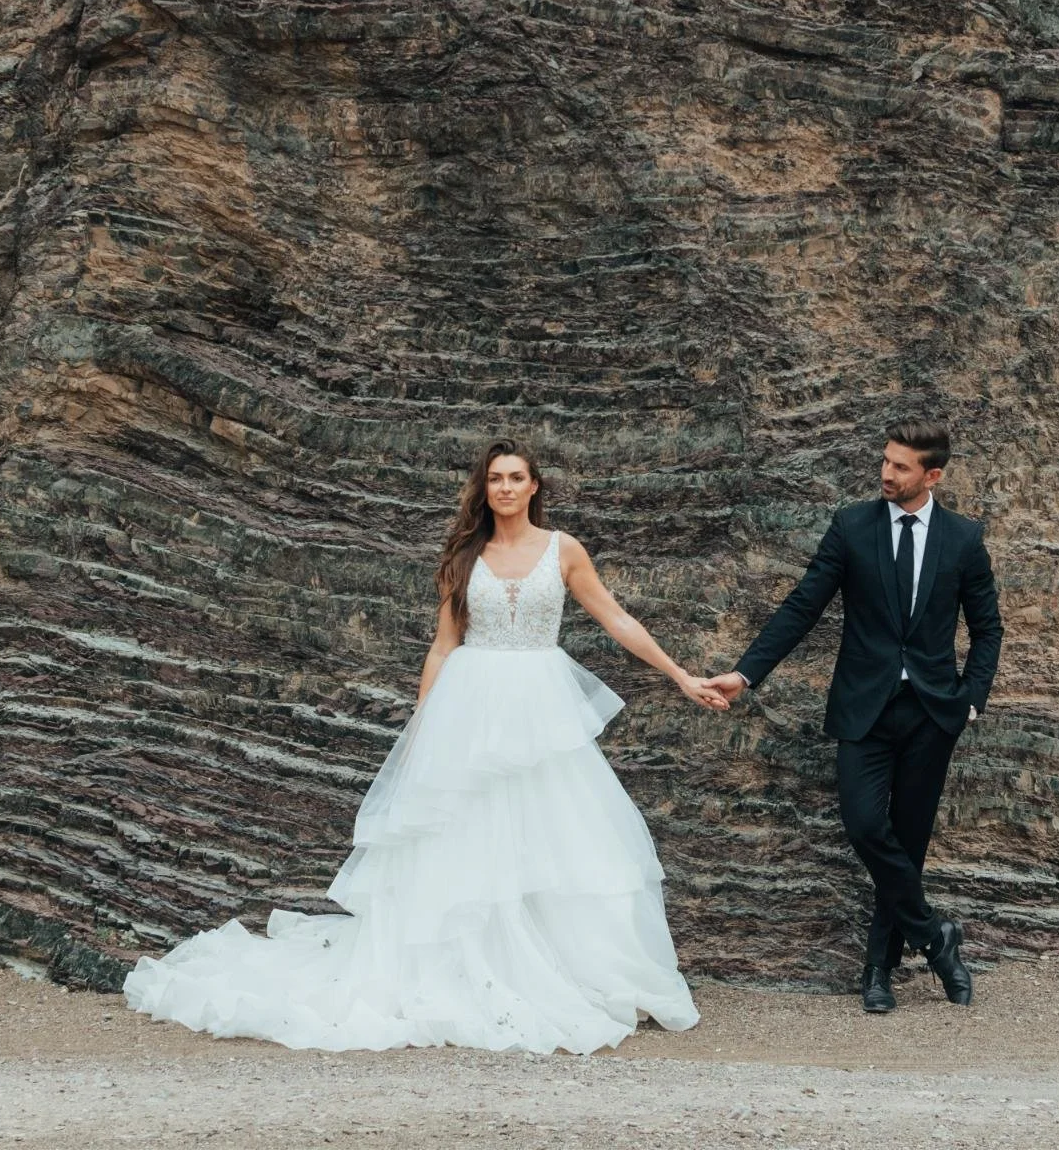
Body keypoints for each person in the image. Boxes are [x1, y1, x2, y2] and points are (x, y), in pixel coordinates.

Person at [123, 438, 730, 1053]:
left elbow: (616, 617)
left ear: (535, 486)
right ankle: (467, 968)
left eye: (517, 477)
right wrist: (421, 729)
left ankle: (558, 967)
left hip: (540, 705)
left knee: (555, 832)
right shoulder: (465, 556)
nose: (506, 488)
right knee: (462, 836)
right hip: (469, 704)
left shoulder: (563, 550)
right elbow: (443, 645)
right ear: (484, 487)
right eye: (495, 478)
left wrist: (680, 675)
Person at [708, 421, 1002, 1014]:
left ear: (932, 475)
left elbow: (988, 627)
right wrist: (744, 674)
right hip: (863, 711)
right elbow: (802, 607)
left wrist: (971, 697)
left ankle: (878, 969)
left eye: (901, 467)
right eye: (886, 462)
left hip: (931, 714)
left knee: (909, 845)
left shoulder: (964, 539)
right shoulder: (852, 526)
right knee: (868, 827)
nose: (887, 473)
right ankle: (935, 936)